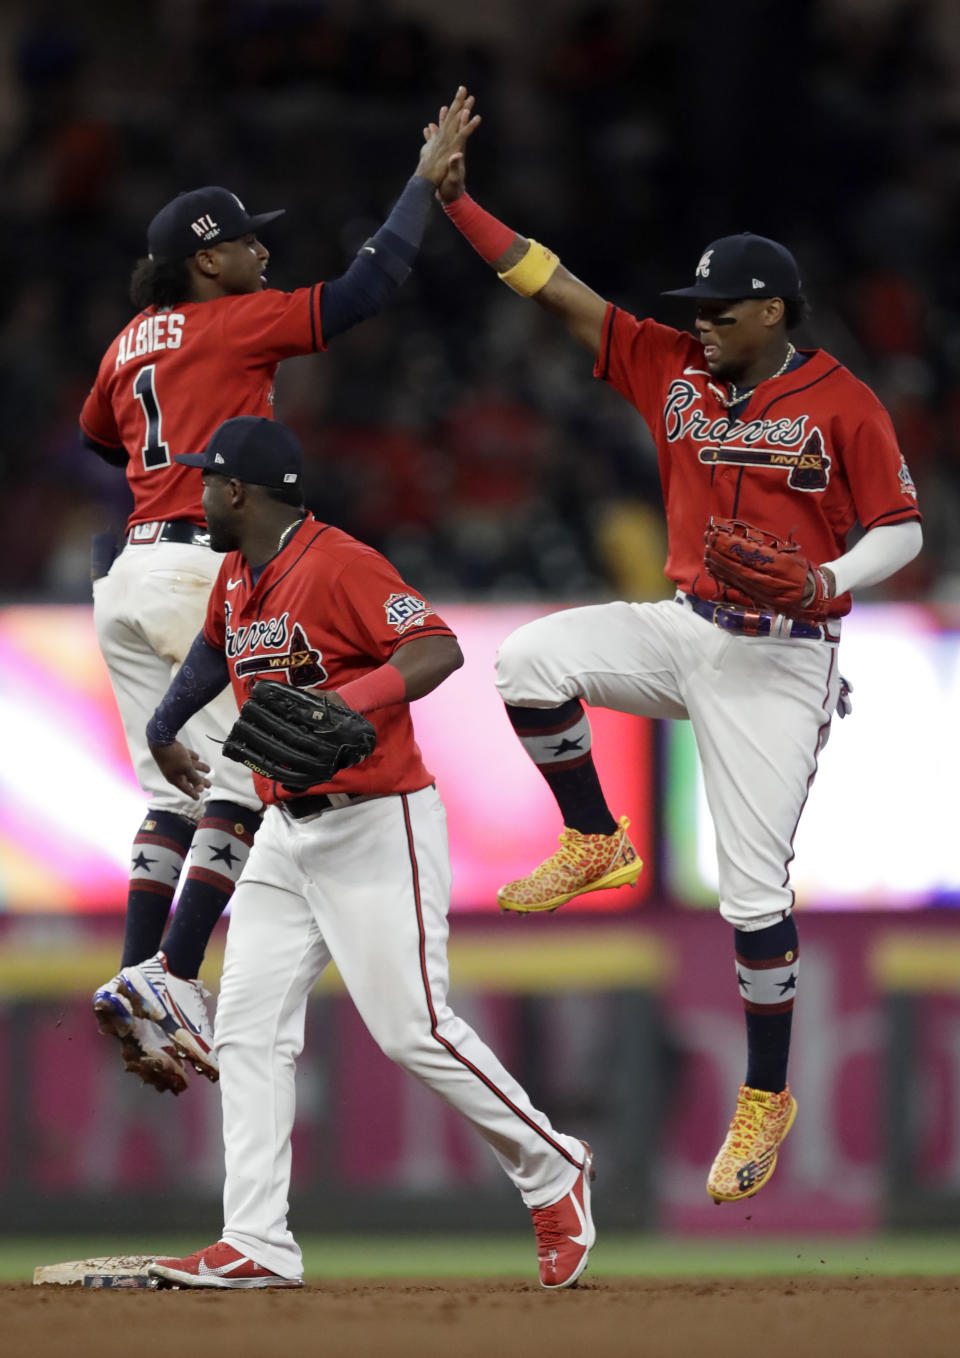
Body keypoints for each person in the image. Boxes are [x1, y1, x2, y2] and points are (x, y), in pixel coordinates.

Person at [432, 131, 922, 1204]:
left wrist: (828, 577)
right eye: (693, 306)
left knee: (750, 895)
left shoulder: (844, 401)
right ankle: (595, 833)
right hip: (686, 624)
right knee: (525, 658)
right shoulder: (671, 367)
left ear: (773, 312)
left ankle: (766, 1096)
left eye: (719, 309)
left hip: (781, 660)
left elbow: (903, 528)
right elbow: (556, 290)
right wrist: (460, 204)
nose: (699, 321)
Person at [132, 416, 595, 1291]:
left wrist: (359, 699)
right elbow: (212, 649)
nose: (197, 496)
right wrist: (163, 725)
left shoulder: (338, 562)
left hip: (379, 820)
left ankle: (553, 1167)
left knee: (412, 1030)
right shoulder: (237, 576)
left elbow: (437, 647)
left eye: (206, 484)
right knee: (248, 1028)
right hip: (286, 834)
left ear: (238, 491)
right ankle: (256, 1239)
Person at [78, 87, 479, 1095]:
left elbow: (100, 434)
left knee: (164, 789)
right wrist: (418, 186)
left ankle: (138, 966)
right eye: (247, 242)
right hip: (196, 568)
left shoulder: (127, 339)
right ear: (207, 260)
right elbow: (366, 288)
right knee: (241, 779)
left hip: (127, 570)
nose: (263, 250)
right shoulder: (233, 319)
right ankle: (170, 976)